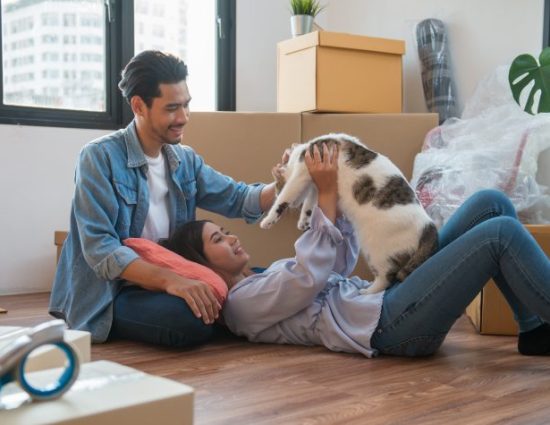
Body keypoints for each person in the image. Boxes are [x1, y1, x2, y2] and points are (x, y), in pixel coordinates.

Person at [162, 143, 550, 357]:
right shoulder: (240, 306)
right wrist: (326, 194)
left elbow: (340, 264)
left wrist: (336, 193)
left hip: (387, 298)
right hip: (390, 327)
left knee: (490, 203)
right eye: (218, 240)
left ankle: (533, 330)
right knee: (498, 234)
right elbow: (308, 278)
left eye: (225, 231)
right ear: (204, 266)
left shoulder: (262, 276)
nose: (231, 238)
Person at [49, 50, 278, 347]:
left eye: (186, 105)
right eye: (172, 108)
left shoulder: (185, 160)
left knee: (267, 278)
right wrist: (172, 282)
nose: (183, 117)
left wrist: (285, 182)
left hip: (175, 275)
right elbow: (100, 250)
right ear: (138, 106)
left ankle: (227, 310)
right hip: (117, 289)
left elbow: (240, 199)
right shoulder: (99, 157)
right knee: (188, 320)